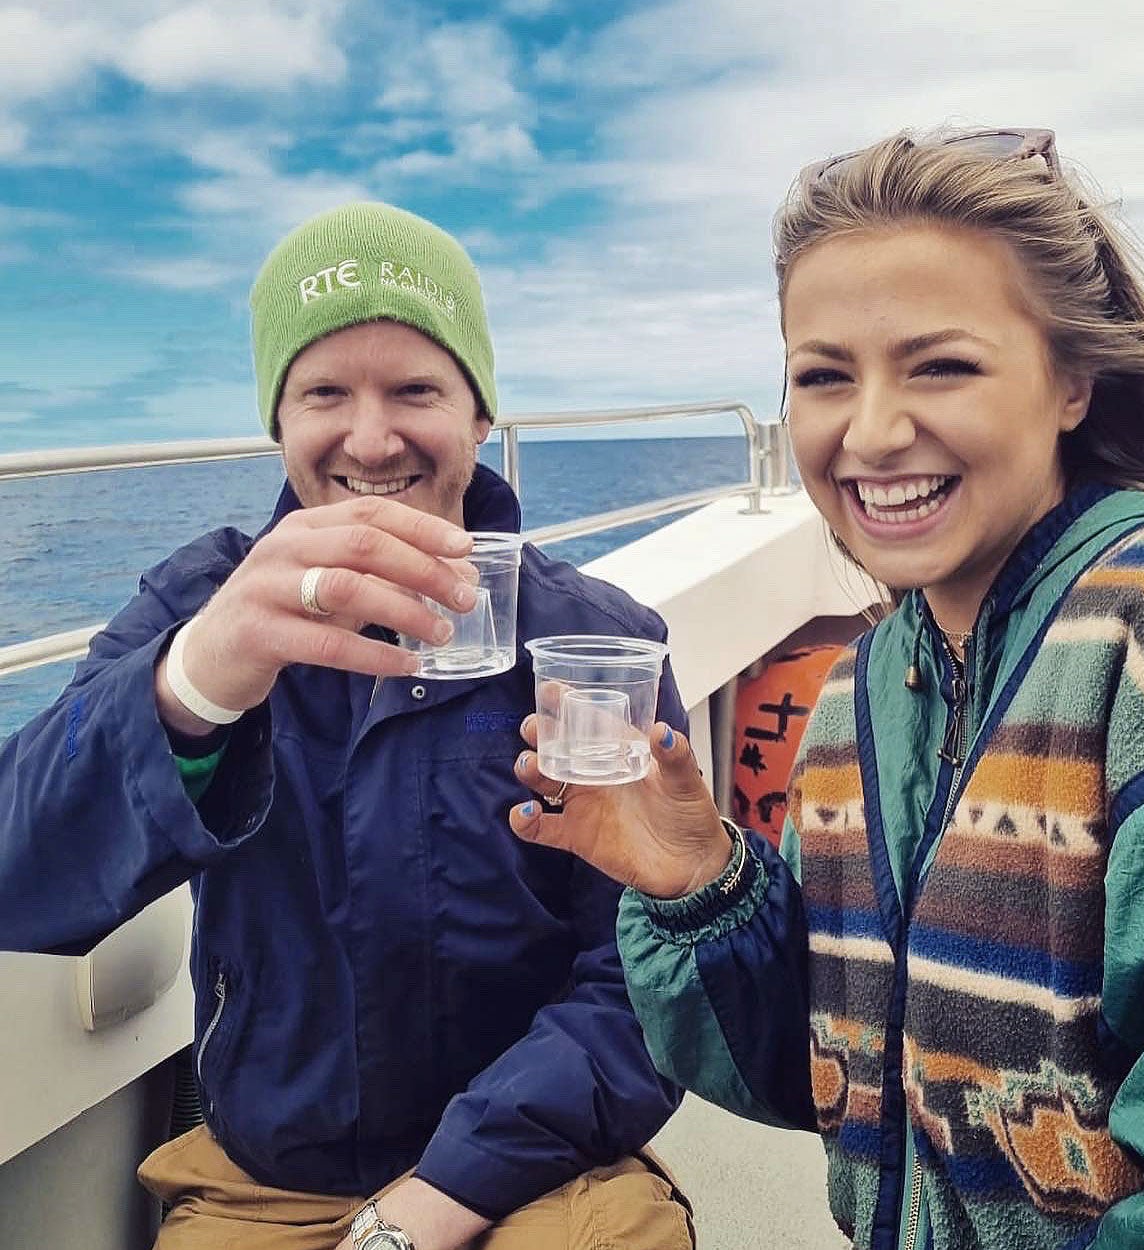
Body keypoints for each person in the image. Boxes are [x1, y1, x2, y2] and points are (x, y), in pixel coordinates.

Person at [508, 128, 1144, 1249]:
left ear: (1073, 381)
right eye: (823, 376)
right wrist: (700, 884)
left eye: (939, 364)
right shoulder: (864, 691)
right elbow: (847, 1084)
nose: (872, 431)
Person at [0, 202, 694, 1250]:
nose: (372, 439)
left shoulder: (592, 641)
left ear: (478, 412)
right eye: (325, 392)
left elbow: (641, 979)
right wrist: (192, 683)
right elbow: (20, 869)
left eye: (417, 389)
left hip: (545, 1159)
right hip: (265, 1171)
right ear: (278, 422)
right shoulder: (198, 605)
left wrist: (436, 1197)